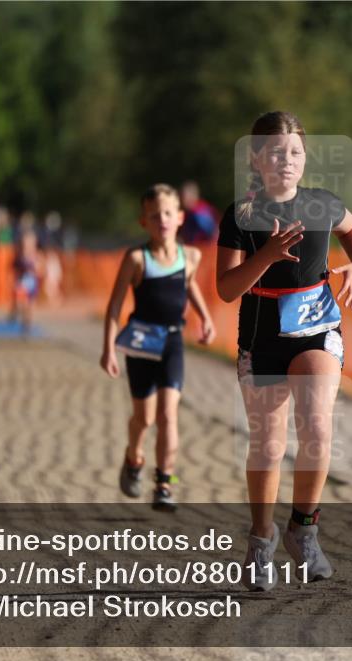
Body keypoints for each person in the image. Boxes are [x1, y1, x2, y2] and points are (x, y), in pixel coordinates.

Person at [216, 111, 352, 590]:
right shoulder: (240, 215)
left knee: (319, 424)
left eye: (296, 152)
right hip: (261, 335)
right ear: (257, 159)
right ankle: (262, 539)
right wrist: (265, 256)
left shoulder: (321, 203)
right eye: (277, 152)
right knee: (268, 444)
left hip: (317, 328)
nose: (287, 160)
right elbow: (224, 288)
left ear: (306, 160)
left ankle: (304, 529)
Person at [101, 184, 216, 511]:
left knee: (168, 414)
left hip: (172, 341)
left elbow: (189, 283)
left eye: (167, 213)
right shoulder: (136, 259)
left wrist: (205, 317)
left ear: (180, 218)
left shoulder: (190, 256)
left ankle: (164, 482)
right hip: (140, 343)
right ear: (143, 222)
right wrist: (108, 349)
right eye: (154, 215)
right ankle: (133, 457)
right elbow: (113, 308)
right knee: (144, 418)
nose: (162, 220)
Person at [11, 229, 43, 334]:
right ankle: (16, 313)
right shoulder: (19, 256)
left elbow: (41, 270)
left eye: (30, 243)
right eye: (26, 243)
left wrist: (36, 270)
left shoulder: (38, 255)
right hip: (22, 284)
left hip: (32, 285)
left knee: (30, 307)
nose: (28, 246)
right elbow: (14, 268)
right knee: (22, 304)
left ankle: (27, 325)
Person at [179, 180, 219, 245]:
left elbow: (214, 233)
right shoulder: (188, 213)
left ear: (191, 196)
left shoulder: (200, 213)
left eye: (183, 196)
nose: (180, 199)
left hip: (205, 251)